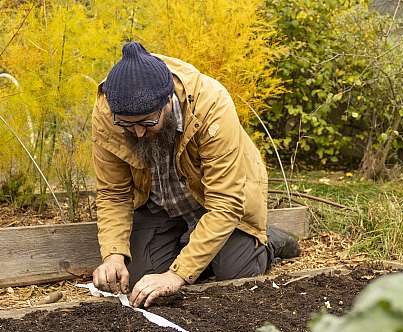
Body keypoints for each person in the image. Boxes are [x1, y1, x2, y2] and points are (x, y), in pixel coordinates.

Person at [91, 42, 299, 307]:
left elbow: (225, 202)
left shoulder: (211, 104)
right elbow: (114, 193)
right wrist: (113, 256)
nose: (139, 133)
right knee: (141, 281)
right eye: (127, 125)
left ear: (168, 101)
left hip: (212, 202)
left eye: (147, 122)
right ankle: (194, 247)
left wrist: (177, 275)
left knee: (235, 275)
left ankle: (268, 242)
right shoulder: (108, 111)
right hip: (161, 207)